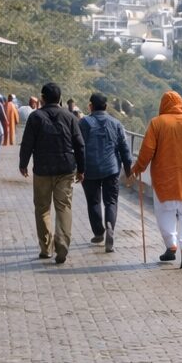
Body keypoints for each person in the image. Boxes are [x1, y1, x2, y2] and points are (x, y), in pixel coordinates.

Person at [130, 91, 182, 269]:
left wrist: (138, 168)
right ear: (181, 104)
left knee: (165, 212)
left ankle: (171, 245)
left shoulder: (157, 123)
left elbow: (146, 152)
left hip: (165, 178)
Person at [18, 82, 85, 264]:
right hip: (66, 169)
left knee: (42, 208)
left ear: (42, 99)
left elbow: (27, 143)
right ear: (60, 99)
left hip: (42, 169)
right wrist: (81, 168)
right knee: (63, 207)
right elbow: (79, 144)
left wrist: (23, 163)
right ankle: (62, 244)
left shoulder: (36, 117)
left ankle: (46, 248)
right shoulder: (70, 117)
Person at [78, 93, 133, 252]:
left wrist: (79, 169)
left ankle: (99, 232)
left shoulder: (84, 123)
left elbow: (79, 147)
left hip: (90, 169)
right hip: (111, 169)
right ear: (106, 107)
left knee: (93, 201)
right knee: (111, 201)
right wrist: (128, 170)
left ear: (90, 106)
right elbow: (124, 148)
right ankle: (110, 227)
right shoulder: (116, 124)